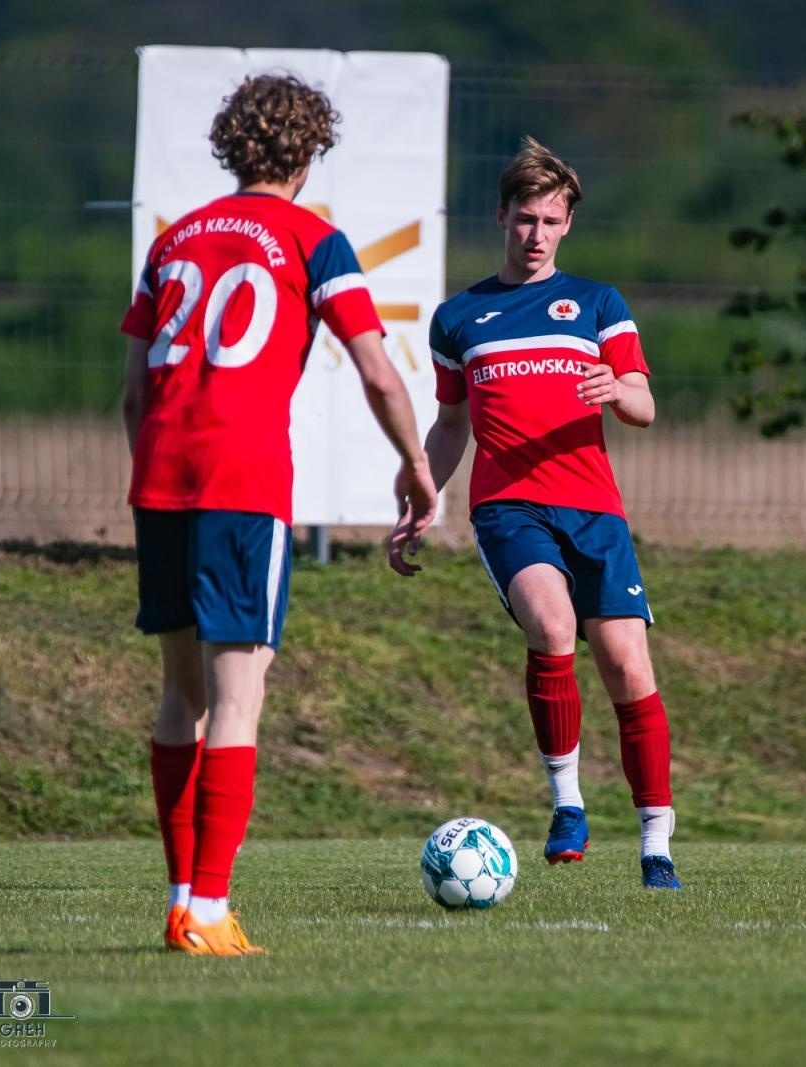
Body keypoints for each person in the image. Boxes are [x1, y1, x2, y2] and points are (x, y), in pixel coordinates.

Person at [121, 72, 439, 954]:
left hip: (161, 475)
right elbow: (376, 369)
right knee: (238, 692)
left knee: (176, 693)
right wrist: (416, 465)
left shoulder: (174, 239)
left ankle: (182, 895)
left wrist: (149, 464)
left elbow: (131, 388)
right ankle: (213, 912)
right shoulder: (312, 238)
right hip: (240, 480)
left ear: (232, 148)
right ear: (308, 152)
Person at [389, 137, 681, 890]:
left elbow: (645, 403)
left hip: (595, 511)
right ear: (502, 217)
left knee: (627, 666)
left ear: (568, 225)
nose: (538, 234)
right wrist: (423, 493)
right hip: (509, 506)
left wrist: (619, 392)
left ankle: (656, 843)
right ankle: (568, 804)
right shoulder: (461, 318)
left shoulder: (598, 304)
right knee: (551, 626)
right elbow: (452, 424)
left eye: (552, 220)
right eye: (526, 219)